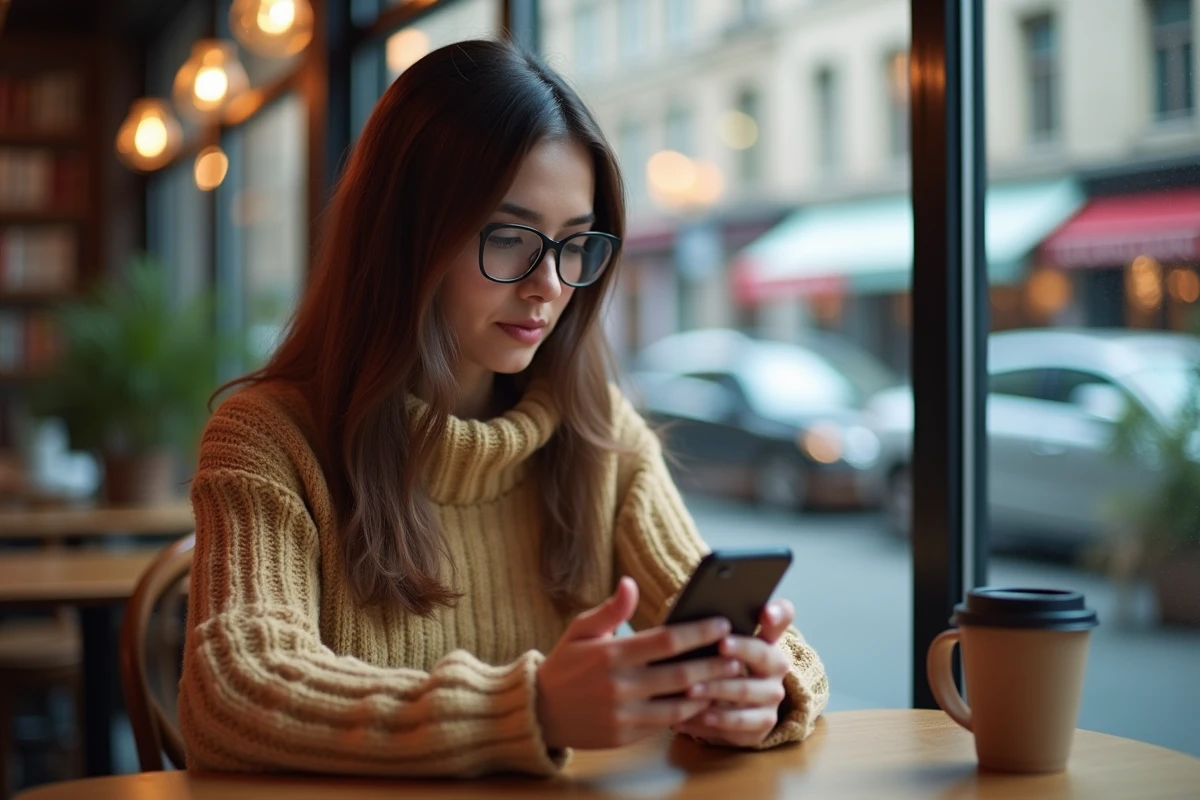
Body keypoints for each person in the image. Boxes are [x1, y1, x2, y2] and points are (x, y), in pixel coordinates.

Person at [178, 38, 828, 778]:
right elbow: (233, 694)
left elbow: (730, 631)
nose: (549, 283)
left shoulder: (598, 432)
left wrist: (765, 683)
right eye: (512, 238)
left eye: (576, 244)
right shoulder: (270, 439)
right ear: (405, 236)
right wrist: (533, 709)